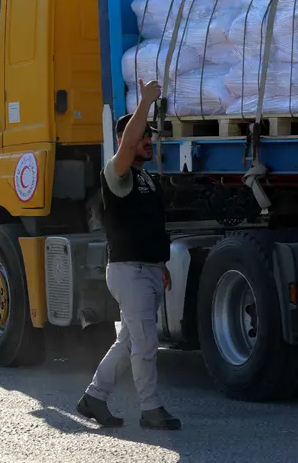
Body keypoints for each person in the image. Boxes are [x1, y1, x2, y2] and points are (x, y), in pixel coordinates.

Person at [77, 80, 181, 430]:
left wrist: (160, 263)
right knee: (146, 344)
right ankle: (151, 409)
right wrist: (146, 103)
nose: (149, 140)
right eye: (143, 136)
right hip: (128, 271)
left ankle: (94, 397)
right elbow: (128, 140)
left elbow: (149, 224)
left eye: (150, 136)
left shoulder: (145, 178)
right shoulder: (116, 173)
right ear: (125, 142)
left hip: (146, 268)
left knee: (128, 343)